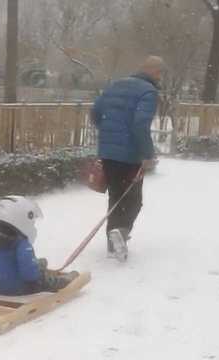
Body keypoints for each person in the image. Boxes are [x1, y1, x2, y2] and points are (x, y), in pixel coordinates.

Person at [91, 56, 164, 262]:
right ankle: (120, 233)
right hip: (130, 155)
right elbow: (140, 124)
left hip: (108, 152)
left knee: (115, 197)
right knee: (133, 201)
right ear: (155, 72)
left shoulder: (116, 85)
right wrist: (148, 155)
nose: (160, 77)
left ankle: (112, 244)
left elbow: (96, 113)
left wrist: (109, 133)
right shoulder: (148, 92)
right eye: (160, 73)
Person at [0, 195, 79, 296]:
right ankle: (63, 281)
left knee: (16, 263)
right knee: (40, 279)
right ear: (21, 219)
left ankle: (36, 265)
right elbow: (30, 275)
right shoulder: (22, 243)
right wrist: (39, 273)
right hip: (14, 288)